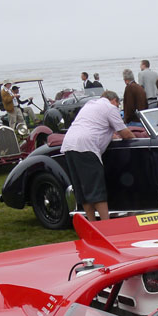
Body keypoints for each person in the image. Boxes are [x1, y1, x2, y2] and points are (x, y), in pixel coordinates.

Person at [59, 90, 134, 221]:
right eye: (118, 105)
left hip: (69, 144)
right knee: (96, 189)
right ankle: (106, 224)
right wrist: (135, 138)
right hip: (86, 147)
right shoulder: (110, 108)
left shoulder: (89, 105)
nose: (117, 107)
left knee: (83, 190)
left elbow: (96, 127)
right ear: (114, 101)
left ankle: (92, 223)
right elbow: (125, 133)